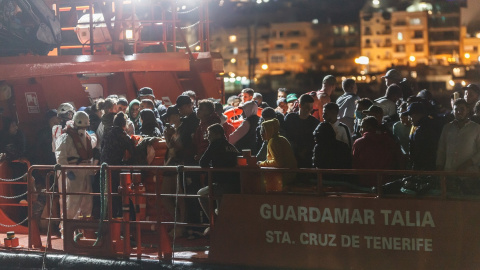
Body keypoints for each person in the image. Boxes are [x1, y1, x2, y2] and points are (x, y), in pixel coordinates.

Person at [55, 111, 97, 236]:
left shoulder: (88, 137)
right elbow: (60, 157)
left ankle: (85, 229)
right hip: (74, 171)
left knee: (87, 202)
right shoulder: (65, 138)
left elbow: (94, 142)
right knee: (72, 202)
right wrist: (67, 171)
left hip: (85, 171)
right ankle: (66, 230)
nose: (83, 129)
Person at [197, 124, 240, 234]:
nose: (208, 137)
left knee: (201, 194)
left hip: (221, 184)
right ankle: (222, 230)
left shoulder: (215, 144)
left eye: (210, 135)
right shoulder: (232, 147)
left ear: (217, 134)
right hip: (237, 185)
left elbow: (203, 162)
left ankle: (214, 222)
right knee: (222, 210)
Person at [437, 98, 480, 193]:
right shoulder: (447, 128)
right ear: (453, 111)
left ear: (467, 110)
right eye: (456, 109)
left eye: (462, 109)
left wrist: (468, 164)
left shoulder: (476, 128)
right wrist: (439, 168)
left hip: (469, 176)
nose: (459, 112)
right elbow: (441, 149)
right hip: (449, 174)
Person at [352, 116, 404, 186]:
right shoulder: (390, 141)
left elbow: (355, 163)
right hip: (387, 183)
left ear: (369, 128)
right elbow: (399, 160)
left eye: (362, 127)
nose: (360, 130)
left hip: (365, 183)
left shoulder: (359, 143)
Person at [100, 112, 135, 217]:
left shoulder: (106, 134)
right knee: (117, 193)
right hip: (116, 168)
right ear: (124, 125)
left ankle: (108, 217)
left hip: (104, 167)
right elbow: (133, 153)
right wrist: (127, 163)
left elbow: (102, 149)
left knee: (107, 194)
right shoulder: (124, 137)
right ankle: (119, 217)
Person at [258, 118, 297, 190]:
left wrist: (261, 163)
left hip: (283, 176)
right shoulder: (281, 138)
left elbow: (278, 163)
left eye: (264, 130)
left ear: (270, 131)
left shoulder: (273, 142)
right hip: (291, 173)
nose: (261, 133)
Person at [403, 102, 441, 171]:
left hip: (423, 170)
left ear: (416, 114)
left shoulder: (421, 130)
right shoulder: (432, 125)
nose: (409, 119)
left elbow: (420, 154)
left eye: (410, 116)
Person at [284, 94, 320, 168]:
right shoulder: (290, 118)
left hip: (307, 157)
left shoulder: (314, 122)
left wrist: (305, 151)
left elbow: (314, 140)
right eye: (306, 107)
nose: (308, 110)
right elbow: (286, 135)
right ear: (300, 105)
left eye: (310, 108)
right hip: (291, 154)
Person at [176, 95, 199, 165]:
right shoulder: (185, 120)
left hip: (192, 157)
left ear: (190, 105)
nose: (180, 111)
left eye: (182, 108)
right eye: (179, 109)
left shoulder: (195, 120)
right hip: (186, 156)